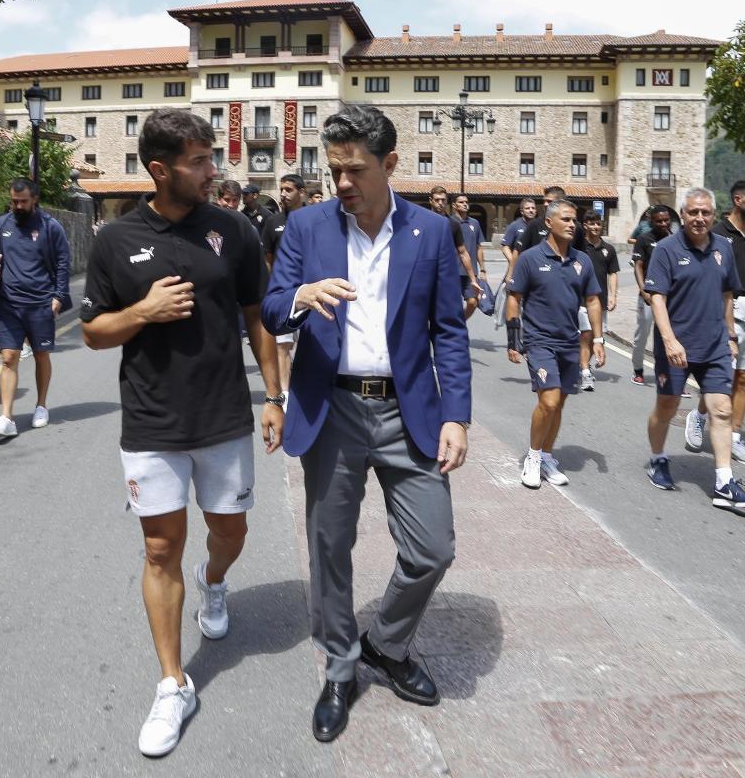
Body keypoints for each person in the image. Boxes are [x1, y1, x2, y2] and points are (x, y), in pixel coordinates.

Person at [261, 104, 470, 743]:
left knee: (433, 548)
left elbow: (449, 332)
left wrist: (457, 415)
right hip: (334, 410)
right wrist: (298, 297)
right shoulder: (305, 226)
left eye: (355, 170)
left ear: (390, 165)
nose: (342, 183)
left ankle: (386, 642)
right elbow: (271, 311)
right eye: (334, 171)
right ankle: (341, 669)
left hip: (409, 412)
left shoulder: (432, 232)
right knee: (330, 548)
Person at [81, 109, 284, 757]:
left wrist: (274, 395)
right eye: (199, 161)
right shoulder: (115, 240)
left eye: (210, 159)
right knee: (159, 550)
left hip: (225, 415)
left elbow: (257, 318)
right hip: (152, 422)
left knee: (231, 532)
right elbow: (93, 332)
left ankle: (215, 581)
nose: (212, 171)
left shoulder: (233, 230)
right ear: (161, 169)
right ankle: (173, 683)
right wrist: (141, 311)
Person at [642, 188, 745, 510]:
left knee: (722, 410)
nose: (699, 218)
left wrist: (731, 335)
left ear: (713, 214)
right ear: (684, 214)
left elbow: (726, 293)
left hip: (715, 346)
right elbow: (657, 298)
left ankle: (724, 482)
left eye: (705, 213)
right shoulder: (667, 249)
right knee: (666, 407)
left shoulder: (724, 247)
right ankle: (657, 458)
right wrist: (669, 340)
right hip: (676, 346)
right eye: (693, 212)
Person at [506, 200, 604, 488]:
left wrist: (598, 339)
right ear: (549, 223)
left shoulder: (582, 261)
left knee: (559, 403)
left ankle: (547, 455)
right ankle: (533, 457)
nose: (573, 224)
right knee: (548, 401)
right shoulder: (530, 258)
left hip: (569, 342)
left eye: (575, 220)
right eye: (566, 219)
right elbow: (514, 299)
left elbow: (593, 300)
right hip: (539, 341)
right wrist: (514, 340)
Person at [682, 181, 745, 466]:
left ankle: (734, 435)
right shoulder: (714, 232)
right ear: (738, 200)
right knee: (722, 377)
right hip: (721, 308)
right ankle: (700, 416)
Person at [0, 178, 71, 438]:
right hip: (9, 303)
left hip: (40, 303)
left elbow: (62, 263)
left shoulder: (50, 226)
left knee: (41, 354)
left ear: (34, 199)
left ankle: (41, 406)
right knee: (9, 357)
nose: (17, 206)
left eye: (23, 201)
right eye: (14, 201)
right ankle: (7, 417)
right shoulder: (1, 225)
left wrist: (58, 295)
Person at [263, 173, 307, 394]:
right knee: (282, 346)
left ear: (302, 192)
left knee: (308, 347)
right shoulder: (273, 222)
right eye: (281, 189)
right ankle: (287, 395)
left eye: (288, 189)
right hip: (284, 295)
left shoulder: (314, 220)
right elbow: (268, 260)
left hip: (310, 293)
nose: (283, 194)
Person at [630, 205, 675, 385]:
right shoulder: (643, 239)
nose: (663, 223)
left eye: (666, 220)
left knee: (669, 335)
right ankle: (638, 370)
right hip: (648, 297)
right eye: (659, 221)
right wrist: (643, 290)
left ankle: (669, 375)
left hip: (669, 297)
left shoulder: (675, 239)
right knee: (643, 333)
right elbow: (638, 266)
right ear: (652, 221)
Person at [576, 209, 620, 391]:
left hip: (600, 301)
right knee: (586, 334)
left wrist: (613, 296)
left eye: (598, 223)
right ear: (585, 225)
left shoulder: (608, 249)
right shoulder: (578, 247)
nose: (595, 227)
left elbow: (613, 273)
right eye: (591, 223)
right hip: (581, 300)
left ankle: (582, 364)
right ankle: (586, 371)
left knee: (597, 337)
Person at [428, 186, 479, 317]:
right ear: (430, 200)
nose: (440, 203)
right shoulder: (423, 222)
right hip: (427, 272)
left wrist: (473, 279)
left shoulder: (452, 224)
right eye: (437, 200)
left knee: (461, 305)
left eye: (443, 200)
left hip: (448, 273)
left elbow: (463, 252)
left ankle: (457, 324)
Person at [451, 194, 485, 320]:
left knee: (473, 302)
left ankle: (460, 322)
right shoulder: (449, 222)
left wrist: (482, 269)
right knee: (452, 305)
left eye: (466, 202)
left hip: (471, 272)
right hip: (453, 271)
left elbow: (479, 247)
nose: (465, 204)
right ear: (454, 205)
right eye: (461, 202)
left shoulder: (475, 223)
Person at [500, 197, 539, 284]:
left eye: (533, 208)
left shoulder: (539, 226)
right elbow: (505, 246)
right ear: (522, 211)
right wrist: (513, 261)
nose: (531, 210)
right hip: (518, 268)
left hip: (536, 267)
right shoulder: (515, 226)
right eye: (527, 208)